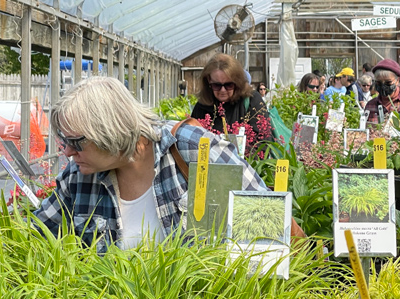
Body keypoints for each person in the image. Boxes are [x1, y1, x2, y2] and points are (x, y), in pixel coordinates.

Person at [34, 77, 268, 252]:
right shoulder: (79, 176)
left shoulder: (192, 147)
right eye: (65, 140)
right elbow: (33, 236)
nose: (68, 151)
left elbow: (266, 219)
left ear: (110, 131)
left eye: (77, 141)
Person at [190, 53, 273, 152]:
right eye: (217, 85)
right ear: (208, 81)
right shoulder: (202, 106)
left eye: (228, 85)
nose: (223, 90)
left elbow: (263, 143)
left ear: (237, 82)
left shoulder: (251, 100)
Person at [364, 58, 400, 124]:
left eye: (388, 82)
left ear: (397, 80)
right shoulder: (371, 105)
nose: (383, 86)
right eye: (379, 83)